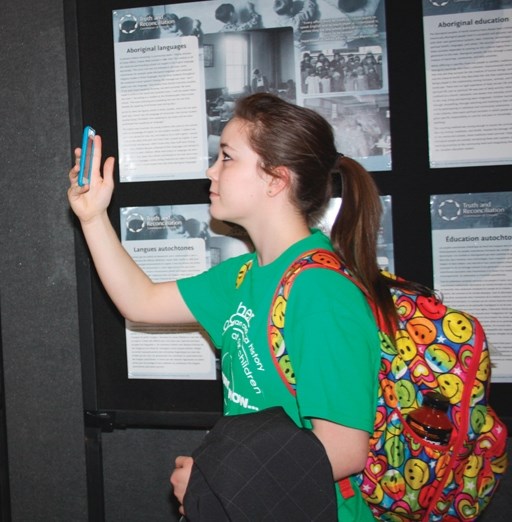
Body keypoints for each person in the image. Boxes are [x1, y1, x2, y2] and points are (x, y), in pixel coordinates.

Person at [67, 93, 401, 521]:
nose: (211, 170)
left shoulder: (321, 292)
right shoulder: (246, 273)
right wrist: (93, 217)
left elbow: (345, 448)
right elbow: (141, 301)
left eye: (227, 157)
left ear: (275, 180)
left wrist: (214, 481)